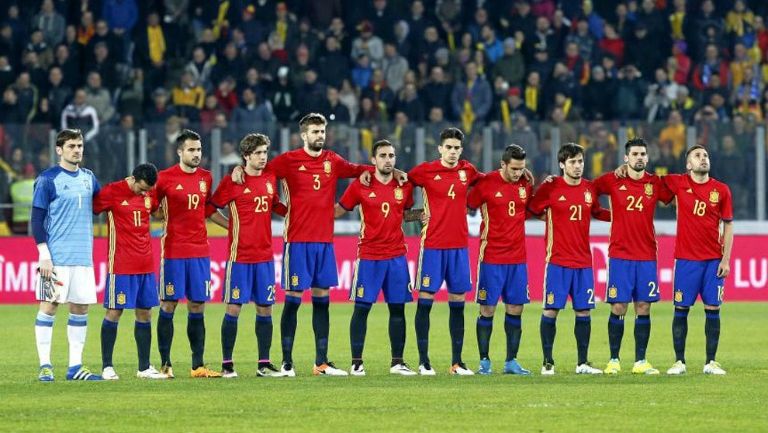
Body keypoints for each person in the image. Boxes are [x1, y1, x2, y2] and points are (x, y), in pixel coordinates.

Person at [232, 113, 390, 376]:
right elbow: (256, 171)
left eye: (322, 131)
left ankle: (321, 362)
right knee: (293, 301)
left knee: (322, 302)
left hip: (325, 243)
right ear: (303, 135)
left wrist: (388, 170)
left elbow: (356, 168)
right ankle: (286, 362)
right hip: (297, 242)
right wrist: (238, 168)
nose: (319, 136)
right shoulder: (287, 161)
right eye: (314, 132)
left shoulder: (332, 160)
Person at [335, 139, 421, 376]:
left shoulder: (404, 185)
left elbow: (404, 214)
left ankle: (397, 362)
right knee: (362, 309)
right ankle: (356, 362)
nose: (388, 160)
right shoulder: (360, 185)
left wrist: (424, 215)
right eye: (382, 155)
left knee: (398, 309)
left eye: (391, 156)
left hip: (396, 256)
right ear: (373, 160)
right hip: (369, 255)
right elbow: (339, 209)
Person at [527, 143, 610, 375]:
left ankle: (582, 363)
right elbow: (533, 207)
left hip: (583, 261)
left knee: (583, 311)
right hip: (557, 261)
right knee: (551, 310)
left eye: (580, 161)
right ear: (562, 164)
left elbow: (596, 211)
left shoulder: (588, 188)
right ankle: (548, 362)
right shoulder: (551, 187)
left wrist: (621, 216)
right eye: (572, 162)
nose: (577, 166)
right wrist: (551, 218)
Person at [594, 138, 674, 375]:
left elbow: (679, 192)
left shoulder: (655, 183)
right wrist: (608, 215)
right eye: (635, 154)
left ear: (647, 158)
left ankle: (640, 361)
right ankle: (614, 360)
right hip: (620, 254)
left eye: (643, 154)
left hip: (647, 254)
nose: (639, 157)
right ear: (626, 158)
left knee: (643, 306)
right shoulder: (612, 179)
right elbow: (586, 190)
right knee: (618, 306)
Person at [154, 129, 229, 378]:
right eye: (191, 150)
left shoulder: (206, 177)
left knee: (197, 305)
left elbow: (207, 208)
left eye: (198, 149)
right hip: (174, 251)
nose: (196, 154)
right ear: (179, 152)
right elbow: (152, 209)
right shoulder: (164, 178)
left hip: (200, 251)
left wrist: (232, 226)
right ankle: (165, 364)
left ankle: (198, 365)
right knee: (169, 303)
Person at [210, 133, 286, 378]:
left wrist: (294, 213)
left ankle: (263, 364)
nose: (263, 158)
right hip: (239, 257)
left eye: (265, 153)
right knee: (234, 309)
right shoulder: (232, 182)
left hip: (265, 256)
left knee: (266, 309)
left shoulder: (270, 178)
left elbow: (274, 204)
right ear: (246, 156)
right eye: (258, 153)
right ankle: (227, 364)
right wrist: (230, 226)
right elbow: (209, 209)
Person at [408, 127, 482, 376]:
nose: (452, 152)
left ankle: (457, 362)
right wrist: (414, 214)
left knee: (458, 304)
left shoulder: (468, 171)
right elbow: (398, 186)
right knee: (425, 303)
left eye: (456, 148)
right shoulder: (424, 171)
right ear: (440, 148)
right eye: (448, 147)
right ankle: (423, 361)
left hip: (459, 247)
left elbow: (491, 181)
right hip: (432, 247)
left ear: (461, 150)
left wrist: (523, 174)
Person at [32, 129, 102, 381]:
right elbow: (36, 220)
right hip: (56, 257)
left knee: (80, 308)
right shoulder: (47, 179)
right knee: (49, 307)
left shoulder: (89, 178)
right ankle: (45, 365)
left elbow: (103, 203)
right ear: (59, 150)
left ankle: (75, 367)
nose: (77, 150)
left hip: (83, 257)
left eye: (80, 145)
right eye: (72, 145)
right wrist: (44, 254)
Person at [93, 163, 167, 380]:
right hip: (121, 265)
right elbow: (92, 207)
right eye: (142, 188)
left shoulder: (149, 193)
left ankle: (144, 367)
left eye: (148, 190)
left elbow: (157, 210)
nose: (145, 193)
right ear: (133, 179)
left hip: (145, 264)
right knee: (115, 312)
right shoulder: (112, 191)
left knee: (145, 313)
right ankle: (107, 366)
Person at [664, 145, 733, 375]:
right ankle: (679, 362)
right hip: (685, 260)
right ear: (688, 164)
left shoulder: (721, 190)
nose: (703, 159)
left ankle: (710, 362)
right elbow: (648, 181)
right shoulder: (677, 183)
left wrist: (726, 259)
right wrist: (625, 169)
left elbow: (728, 225)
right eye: (697, 156)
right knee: (681, 308)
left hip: (713, 260)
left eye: (705, 155)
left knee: (713, 308)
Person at [467, 144, 533, 375]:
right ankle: (484, 361)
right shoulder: (486, 184)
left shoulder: (526, 183)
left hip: (518, 258)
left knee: (516, 308)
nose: (517, 173)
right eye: (514, 168)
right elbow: (468, 205)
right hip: (492, 257)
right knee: (487, 309)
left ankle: (511, 361)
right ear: (503, 164)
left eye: (521, 168)